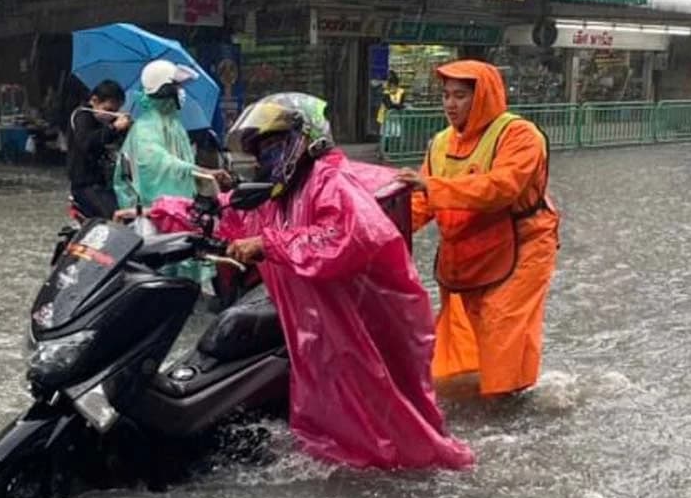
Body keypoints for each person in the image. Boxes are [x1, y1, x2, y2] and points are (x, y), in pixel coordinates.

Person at [149, 93, 473, 471]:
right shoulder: (283, 192)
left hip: (368, 323)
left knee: (392, 428)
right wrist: (152, 216)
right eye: (261, 151)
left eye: (275, 146)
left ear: (304, 139)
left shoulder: (331, 182)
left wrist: (268, 243)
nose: (267, 159)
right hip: (326, 328)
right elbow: (232, 215)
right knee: (338, 426)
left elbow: (348, 237)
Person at [397, 60, 559, 398]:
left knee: (503, 326)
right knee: (476, 329)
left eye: (460, 96)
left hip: (523, 245)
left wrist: (432, 187)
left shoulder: (520, 135)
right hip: (469, 253)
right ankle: (492, 392)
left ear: (482, 96)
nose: (450, 104)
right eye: (446, 96)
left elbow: (502, 187)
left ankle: (508, 401)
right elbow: (422, 204)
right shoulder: (441, 143)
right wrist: (377, 231)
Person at [113, 59, 230, 209]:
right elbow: (159, 163)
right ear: (164, 90)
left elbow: (182, 161)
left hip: (177, 209)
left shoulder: (174, 124)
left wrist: (204, 175)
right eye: (177, 86)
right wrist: (200, 171)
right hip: (153, 212)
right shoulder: (146, 127)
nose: (181, 91)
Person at [68, 80, 130, 219]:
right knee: (113, 216)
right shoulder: (81, 116)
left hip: (106, 181)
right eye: (108, 110)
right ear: (94, 101)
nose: (111, 115)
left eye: (116, 111)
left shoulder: (106, 121)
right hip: (86, 183)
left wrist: (126, 128)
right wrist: (114, 128)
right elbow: (87, 143)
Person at [377, 70, 406, 141]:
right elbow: (388, 105)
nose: (393, 87)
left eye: (394, 85)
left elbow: (401, 104)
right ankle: (385, 147)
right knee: (386, 133)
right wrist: (397, 106)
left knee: (396, 132)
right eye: (391, 85)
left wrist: (396, 105)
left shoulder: (401, 92)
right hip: (386, 116)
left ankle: (393, 147)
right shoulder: (386, 93)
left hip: (396, 117)